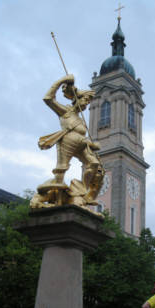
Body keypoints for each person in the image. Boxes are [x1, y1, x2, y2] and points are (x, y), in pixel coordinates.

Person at [31, 74, 104, 208]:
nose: (87, 104)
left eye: (88, 102)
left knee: (94, 164)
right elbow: (48, 99)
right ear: (78, 99)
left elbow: (82, 137)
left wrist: (92, 145)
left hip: (81, 145)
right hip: (67, 142)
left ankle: (82, 192)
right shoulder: (66, 111)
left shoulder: (81, 120)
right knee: (61, 169)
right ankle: (57, 201)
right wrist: (62, 81)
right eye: (86, 100)